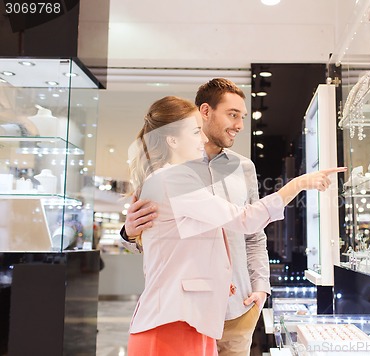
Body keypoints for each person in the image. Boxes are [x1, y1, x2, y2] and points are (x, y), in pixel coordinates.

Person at [125, 95, 346, 355]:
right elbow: (244, 219)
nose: (204, 138)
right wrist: (298, 184)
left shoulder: (225, 170)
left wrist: (256, 286)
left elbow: (231, 238)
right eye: (232, 114)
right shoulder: (173, 179)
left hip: (209, 312)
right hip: (179, 317)